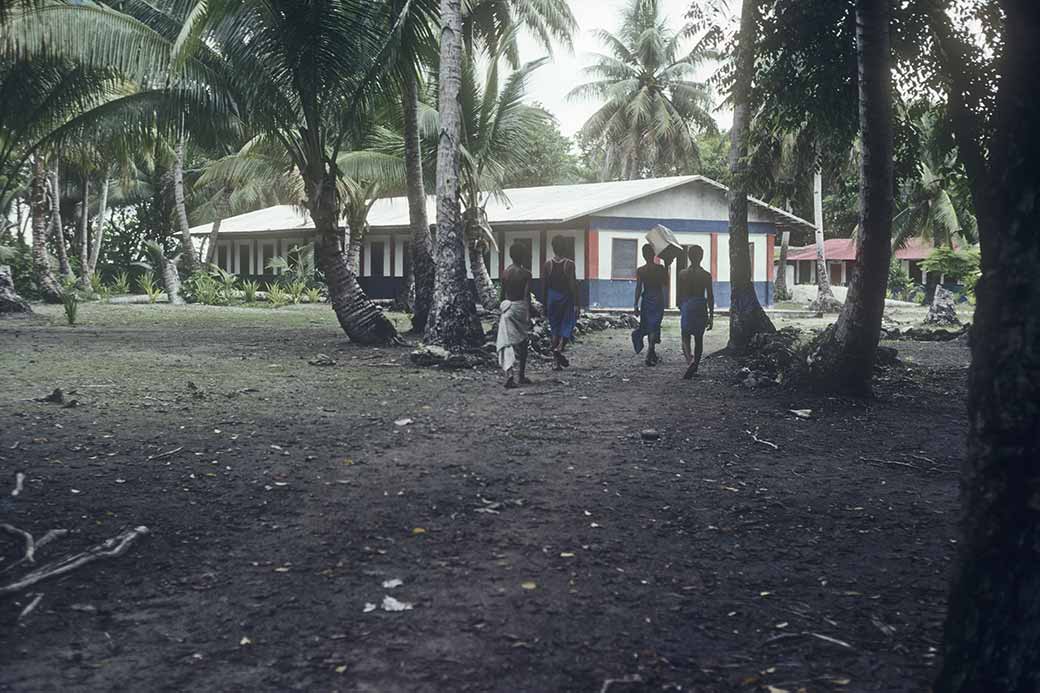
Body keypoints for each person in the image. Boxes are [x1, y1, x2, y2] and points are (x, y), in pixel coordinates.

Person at [497, 242, 533, 388]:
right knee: (523, 342)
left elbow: (501, 296)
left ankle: (509, 375)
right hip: (520, 309)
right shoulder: (526, 274)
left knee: (506, 343)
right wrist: (530, 312)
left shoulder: (505, 272)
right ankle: (521, 375)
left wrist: (505, 306)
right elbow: (526, 297)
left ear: (511, 256)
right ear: (523, 257)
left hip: (508, 309)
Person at [676, 244, 715, 379]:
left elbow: (679, 294)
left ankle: (689, 360)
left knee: (685, 335)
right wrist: (711, 316)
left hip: (687, 305)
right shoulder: (706, 275)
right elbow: (710, 296)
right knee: (699, 339)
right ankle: (696, 365)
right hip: (700, 305)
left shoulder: (682, 274)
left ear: (689, 256)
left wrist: (681, 306)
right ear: (702, 257)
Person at [542, 235, 579, 371]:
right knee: (567, 326)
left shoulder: (547, 264)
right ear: (565, 247)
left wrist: (545, 304)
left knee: (555, 329)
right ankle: (559, 348)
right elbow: (572, 285)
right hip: (566, 297)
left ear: (553, 247)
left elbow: (544, 286)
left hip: (552, 297)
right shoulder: (569, 264)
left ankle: (555, 363)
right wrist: (576, 303)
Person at [632, 243, 669, 366]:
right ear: (654, 254)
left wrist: (635, 305)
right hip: (658, 299)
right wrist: (667, 266)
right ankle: (650, 351)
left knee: (648, 325)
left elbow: (638, 288)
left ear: (643, 255)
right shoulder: (660, 269)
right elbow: (665, 283)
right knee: (655, 325)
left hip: (646, 299)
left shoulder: (641, 270)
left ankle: (651, 351)